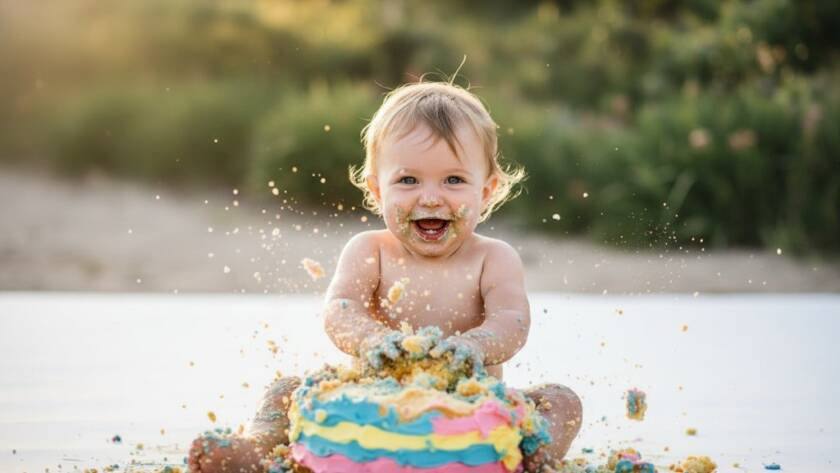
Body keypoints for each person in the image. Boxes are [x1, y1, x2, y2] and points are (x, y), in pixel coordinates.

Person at [188, 80, 582, 473]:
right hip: (371, 405)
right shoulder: (370, 250)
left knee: (561, 400)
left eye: (454, 180)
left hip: (471, 410)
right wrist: (372, 339)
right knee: (286, 390)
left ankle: (533, 456)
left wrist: (476, 346)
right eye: (408, 180)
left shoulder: (494, 258)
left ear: (488, 190)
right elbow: (340, 311)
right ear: (377, 191)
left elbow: (512, 321)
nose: (430, 197)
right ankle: (259, 449)